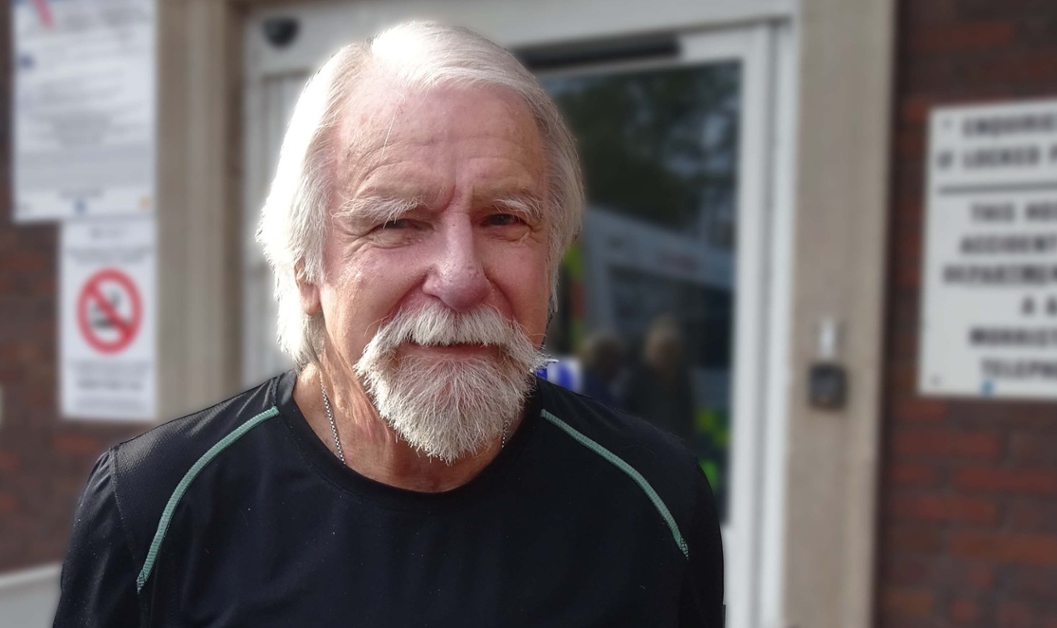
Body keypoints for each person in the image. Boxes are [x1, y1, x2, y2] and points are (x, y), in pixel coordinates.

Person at [53, 21, 723, 627]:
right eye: (398, 220)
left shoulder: (654, 500)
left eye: (504, 219)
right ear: (306, 268)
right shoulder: (155, 508)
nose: (461, 278)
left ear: (549, 259)